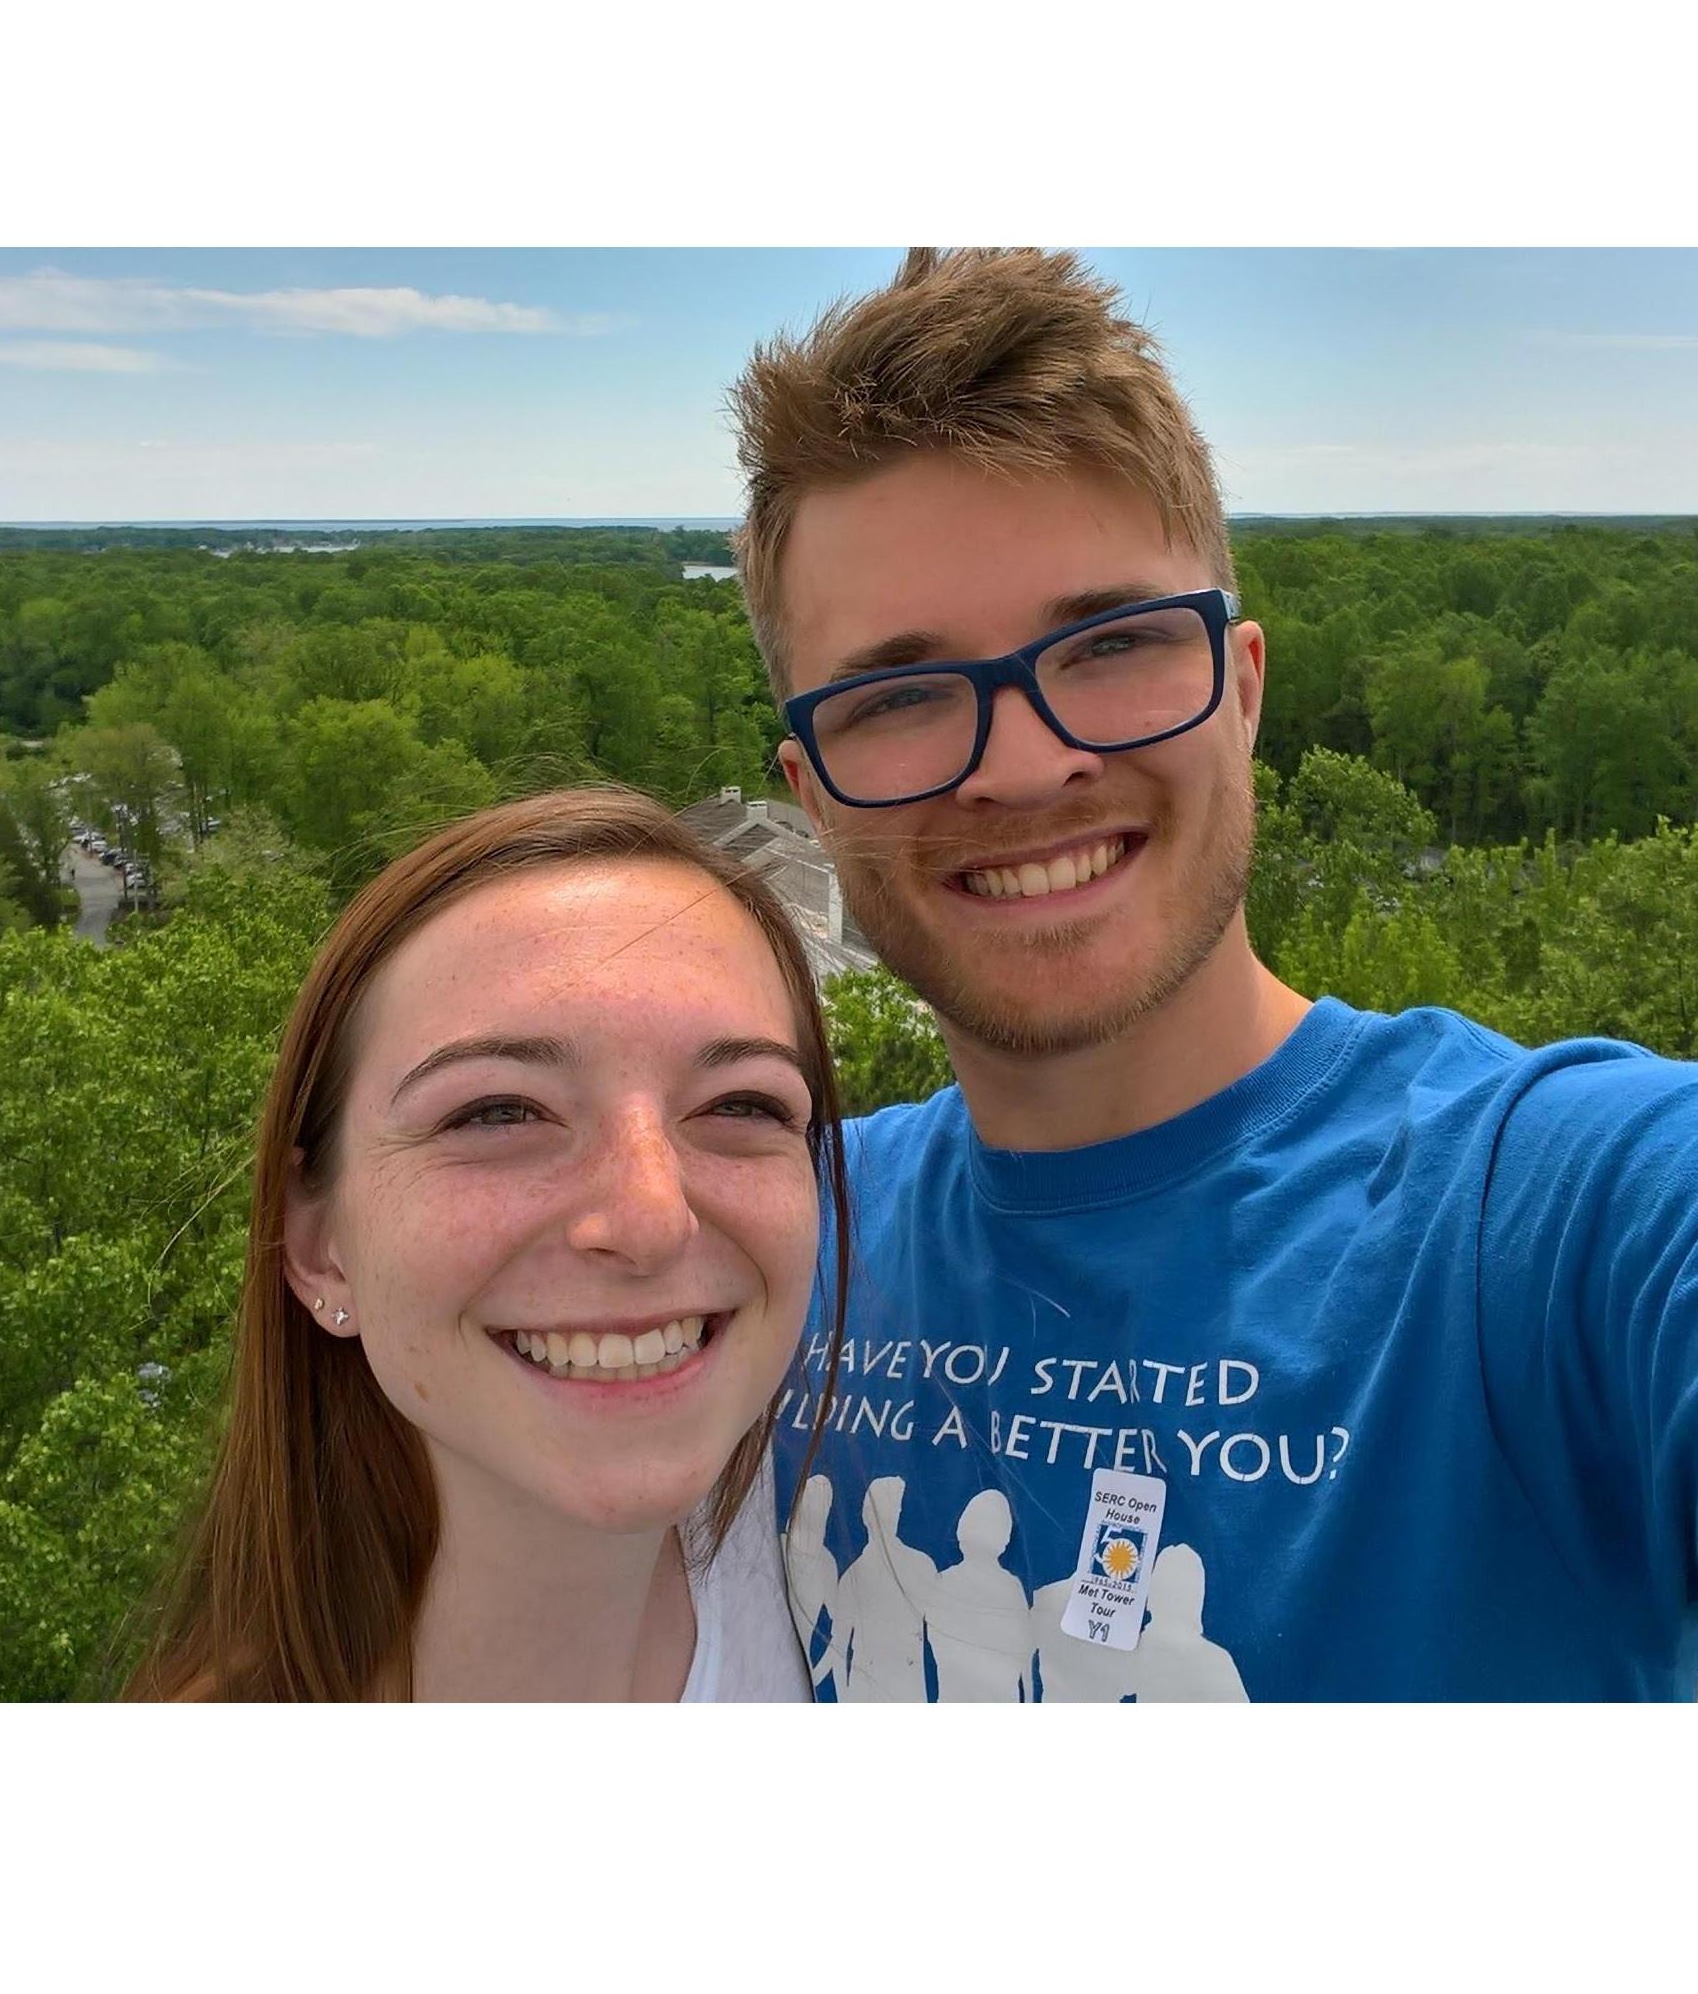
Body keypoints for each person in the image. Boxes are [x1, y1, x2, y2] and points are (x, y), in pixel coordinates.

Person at [730, 247, 1698, 1700]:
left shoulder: (1551, 1214)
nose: (1028, 763)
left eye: (1108, 643)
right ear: (812, 793)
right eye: (904, 695)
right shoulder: (765, 1245)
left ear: (1241, 686)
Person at [125, 787, 849, 1700]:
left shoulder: (846, 1568)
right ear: (320, 1246)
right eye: (497, 1111)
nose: (651, 1218)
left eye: (743, 1104)